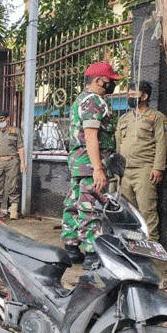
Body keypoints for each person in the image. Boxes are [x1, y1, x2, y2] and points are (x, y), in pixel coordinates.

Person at [63, 61, 121, 270]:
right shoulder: (95, 101)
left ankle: (71, 248)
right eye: (109, 81)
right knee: (91, 208)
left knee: (74, 203)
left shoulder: (80, 99)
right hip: (90, 165)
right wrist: (98, 168)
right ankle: (91, 255)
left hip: (79, 164)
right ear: (98, 81)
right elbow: (91, 135)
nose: (111, 86)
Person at [115, 81, 167, 241]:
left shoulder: (157, 117)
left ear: (144, 96)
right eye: (128, 94)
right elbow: (119, 144)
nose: (129, 97)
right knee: (128, 211)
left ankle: (151, 245)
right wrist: (118, 169)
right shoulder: (124, 118)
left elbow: (161, 142)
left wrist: (158, 168)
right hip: (125, 172)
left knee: (147, 210)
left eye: (133, 94)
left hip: (145, 170)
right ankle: (132, 242)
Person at [0, 110, 26, 220]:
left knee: (13, 185)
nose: (0, 123)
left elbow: (20, 148)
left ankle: (13, 210)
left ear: (8, 119)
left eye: (2, 120)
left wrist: (23, 162)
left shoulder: (15, 132)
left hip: (12, 161)